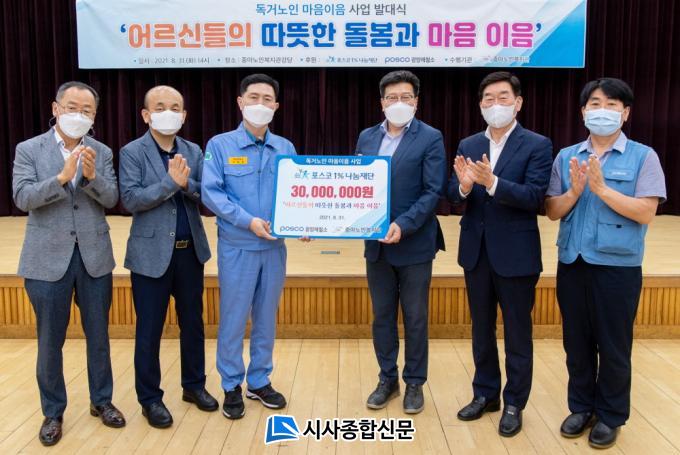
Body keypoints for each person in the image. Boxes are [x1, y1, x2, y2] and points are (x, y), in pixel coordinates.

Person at [545, 77, 666, 449]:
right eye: (595, 104)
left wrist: (601, 190)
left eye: (612, 105)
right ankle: (581, 407)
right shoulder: (567, 156)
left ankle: (611, 415)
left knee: (614, 346)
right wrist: (575, 191)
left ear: (625, 113)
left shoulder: (644, 156)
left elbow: (646, 211)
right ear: (583, 111)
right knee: (576, 342)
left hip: (618, 267)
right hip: (573, 261)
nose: (603, 111)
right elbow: (552, 210)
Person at [12, 81, 125, 446]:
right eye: (72, 107)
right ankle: (53, 411)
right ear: (56, 108)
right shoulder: (29, 149)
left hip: (94, 257)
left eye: (87, 110)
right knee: (50, 341)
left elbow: (112, 197)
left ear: (95, 116)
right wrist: (61, 178)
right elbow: (22, 197)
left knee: (99, 337)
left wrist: (91, 178)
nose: (79, 115)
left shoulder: (101, 151)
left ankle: (102, 401)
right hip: (46, 259)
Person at [447, 71, 552, 436]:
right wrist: (463, 187)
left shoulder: (537, 144)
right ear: (480, 105)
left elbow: (535, 197)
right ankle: (485, 394)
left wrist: (492, 183)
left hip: (517, 253)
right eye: (488, 99)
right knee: (481, 329)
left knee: (517, 333)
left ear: (518, 102)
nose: (496, 104)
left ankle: (514, 403)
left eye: (503, 97)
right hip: (476, 252)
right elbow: (453, 194)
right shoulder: (469, 142)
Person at [118, 85, 217, 428]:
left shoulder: (193, 150)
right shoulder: (132, 152)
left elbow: (206, 193)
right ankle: (150, 399)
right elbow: (130, 199)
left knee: (193, 324)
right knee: (149, 330)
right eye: (160, 107)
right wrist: (170, 184)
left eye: (175, 107)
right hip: (150, 256)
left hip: (190, 254)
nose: (168, 112)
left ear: (184, 115)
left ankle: (194, 385)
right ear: (146, 115)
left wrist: (186, 185)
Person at [201, 74, 296, 419]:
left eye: (267, 99)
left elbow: (296, 193)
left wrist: (303, 222)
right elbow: (212, 192)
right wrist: (247, 221)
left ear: (276, 106)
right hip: (238, 247)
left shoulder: (285, 148)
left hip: (273, 249)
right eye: (253, 97)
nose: (260, 104)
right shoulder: (220, 145)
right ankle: (231, 384)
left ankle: (259, 380)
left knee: (266, 318)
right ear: (240, 102)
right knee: (234, 317)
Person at [355, 70, 446, 414]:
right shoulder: (366, 137)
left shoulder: (430, 137)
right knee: (381, 316)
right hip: (376, 245)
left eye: (406, 97)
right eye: (392, 97)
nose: (399, 103)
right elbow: (356, 187)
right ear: (382, 102)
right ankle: (387, 379)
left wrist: (402, 224)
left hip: (414, 244)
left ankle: (415, 383)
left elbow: (432, 191)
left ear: (416, 101)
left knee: (415, 317)